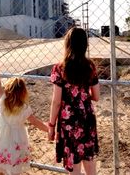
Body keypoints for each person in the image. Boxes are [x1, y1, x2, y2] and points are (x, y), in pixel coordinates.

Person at [48, 27, 100, 175]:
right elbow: (96, 96)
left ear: (68, 44)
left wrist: (51, 125)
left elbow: (56, 102)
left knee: (74, 167)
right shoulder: (90, 66)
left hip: (69, 122)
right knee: (90, 166)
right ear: (85, 45)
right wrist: (82, 97)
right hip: (87, 119)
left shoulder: (59, 68)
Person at [0, 61, 48, 175]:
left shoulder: (3, 100)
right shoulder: (25, 108)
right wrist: (48, 129)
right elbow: (35, 122)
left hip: (2, 135)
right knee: (15, 163)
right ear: (23, 92)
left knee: (1, 164)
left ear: (8, 89)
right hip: (17, 137)